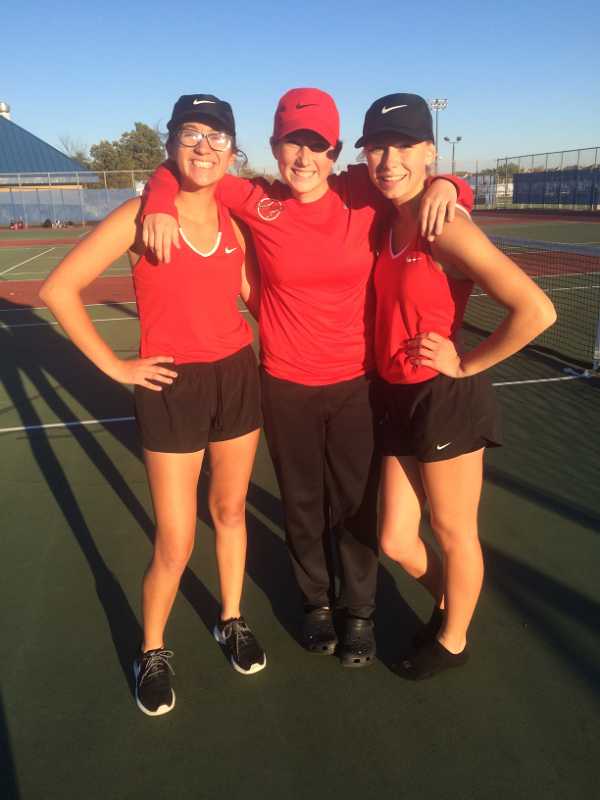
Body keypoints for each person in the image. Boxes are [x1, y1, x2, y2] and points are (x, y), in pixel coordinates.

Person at [141, 88, 473, 668]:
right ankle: (316, 602)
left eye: (317, 146)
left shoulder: (361, 191)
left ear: (335, 152)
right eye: (292, 143)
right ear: (274, 147)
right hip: (285, 383)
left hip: (356, 383)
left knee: (354, 504)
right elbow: (186, 167)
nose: (304, 157)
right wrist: (159, 200)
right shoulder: (256, 200)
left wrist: (453, 185)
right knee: (301, 504)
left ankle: (359, 612)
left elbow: (418, 179)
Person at [40, 94, 266, 717]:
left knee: (230, 510)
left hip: (236, 376)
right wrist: (117, 367)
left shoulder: (235, 217)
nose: (204, 147)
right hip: (171, 386)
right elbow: (59, 289)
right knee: (176, 538)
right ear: (170, 145)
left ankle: (230, 618)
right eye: (190, 134)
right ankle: (152, 649)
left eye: (217, 137)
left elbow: (255, 296)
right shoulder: (141, 215)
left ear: (232, 151)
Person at [357, 93, 556, 679]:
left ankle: (452, 640)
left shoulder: (444, 228)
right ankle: (454, 601)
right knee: (396, 539)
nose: (388, 160)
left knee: (452, 531)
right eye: (377, 148)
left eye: (403, 146)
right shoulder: (392, 217)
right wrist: (452, 184)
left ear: (428, 150)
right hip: (397, 396)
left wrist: (466, 365)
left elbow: (536, 311)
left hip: (444, 398)